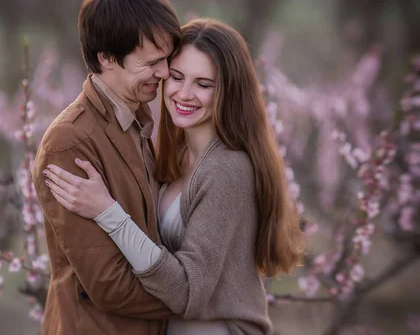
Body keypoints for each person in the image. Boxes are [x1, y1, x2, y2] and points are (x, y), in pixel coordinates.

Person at [43, 19, 306, 335]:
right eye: (177, 77)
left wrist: (106, 211)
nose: (184, 93)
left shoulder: (227, 169)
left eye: (203, 84)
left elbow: (187, 291)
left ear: (229, 90)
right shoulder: (171, 156)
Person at [31, 0, 181, 334]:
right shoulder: (70, 144)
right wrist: (196, 295)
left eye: (167, 59)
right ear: (106, 58)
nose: (164, 73)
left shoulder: (138, 120)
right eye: (151, 63)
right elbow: (108, 284)